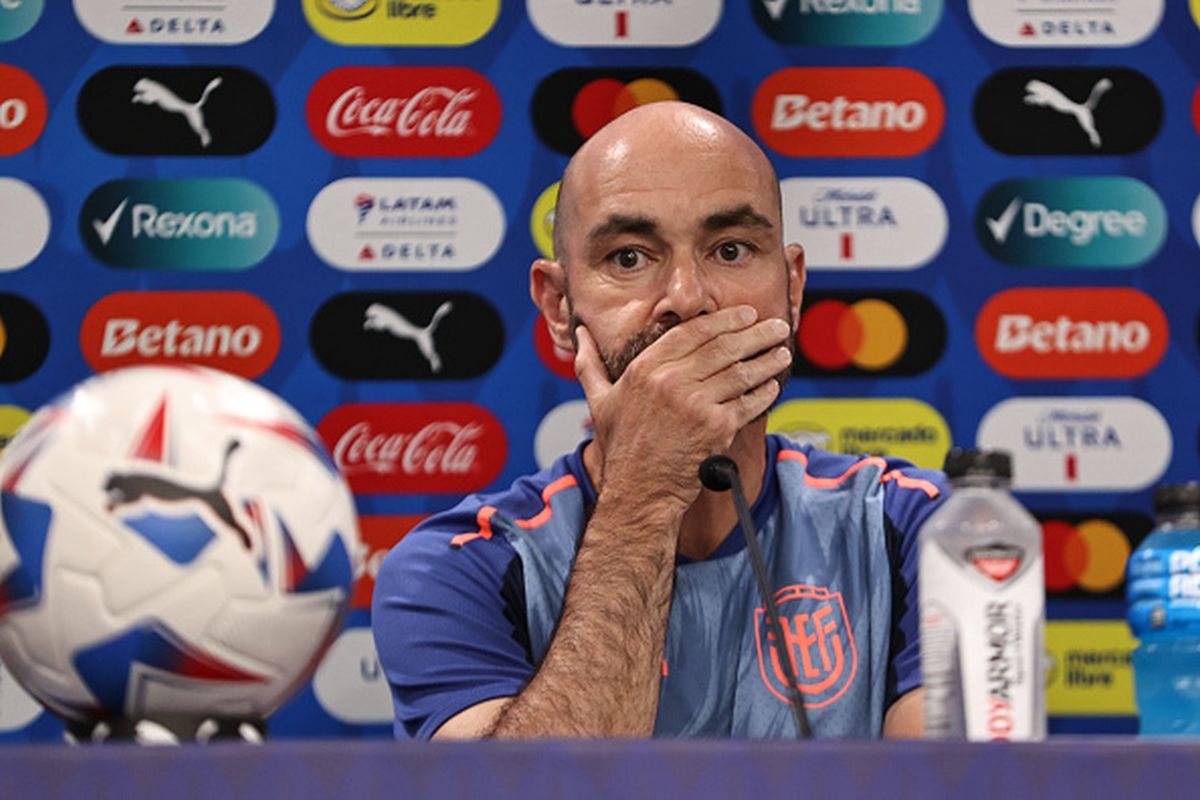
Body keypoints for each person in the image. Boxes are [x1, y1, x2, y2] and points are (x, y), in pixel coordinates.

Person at [371, 101, 948, 739]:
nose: (688, 299)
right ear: (559, 307)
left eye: (731, 250)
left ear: (792, 288)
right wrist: (645, 494)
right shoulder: (457, 568)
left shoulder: (920, 527)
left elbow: (952, 781)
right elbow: (533, 787)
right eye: (629, 258)